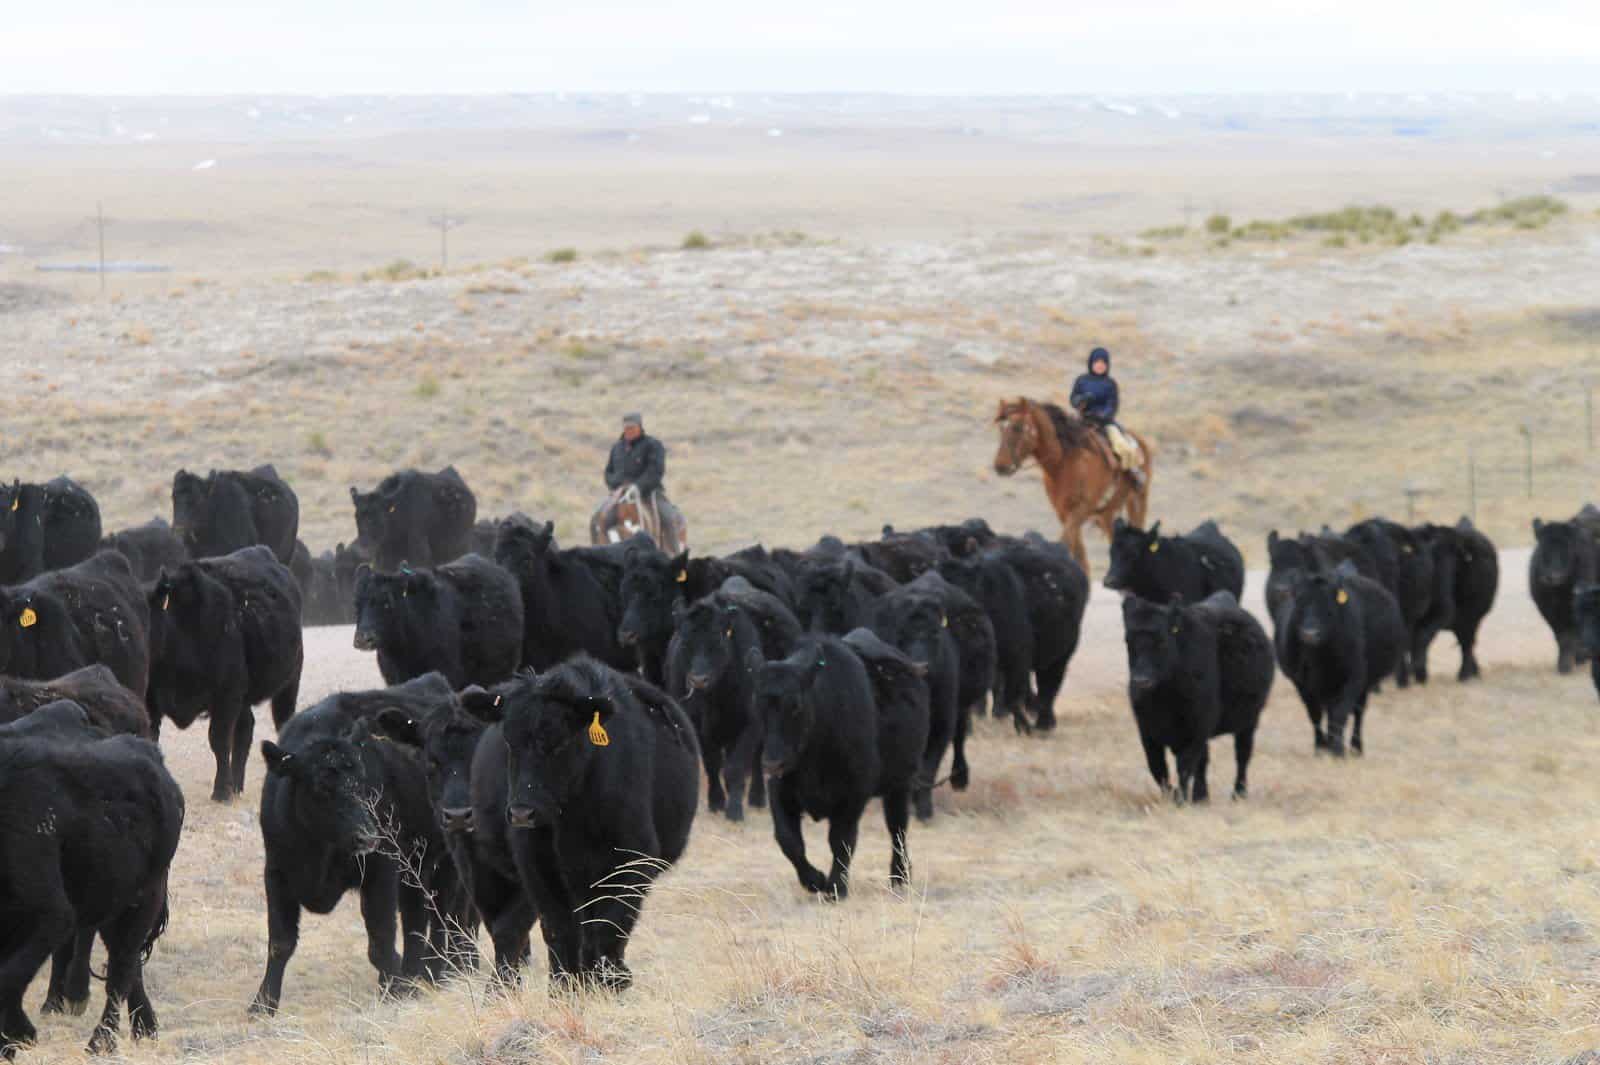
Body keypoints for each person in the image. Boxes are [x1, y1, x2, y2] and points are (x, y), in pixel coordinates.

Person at [593, 413, 687, 551]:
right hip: (620, 495)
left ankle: (675, 559)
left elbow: (656, 471)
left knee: (668, 519)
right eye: (626, 428)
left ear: (639, 427)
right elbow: (608, 472)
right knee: (597, 519)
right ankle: (597, 556)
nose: (628, 431)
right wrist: (618, 486)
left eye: (632, 428)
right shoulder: (617, 448)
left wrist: (637, 487)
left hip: (648, 494)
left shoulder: (653, 445)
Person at [1070, 347, 1144, 486]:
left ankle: (1133, 473)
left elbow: (1112, 405)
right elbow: (1073, 399)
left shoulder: (1110, 384)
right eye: (1097, 362)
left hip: (1104, 423)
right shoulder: (1081, 380)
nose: (1100, 365)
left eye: (1103, 363)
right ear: (1091, 363)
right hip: (1082, 420)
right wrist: (1081, 399)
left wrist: (1102, 415)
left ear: (1107, 365)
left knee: (1122, 447)